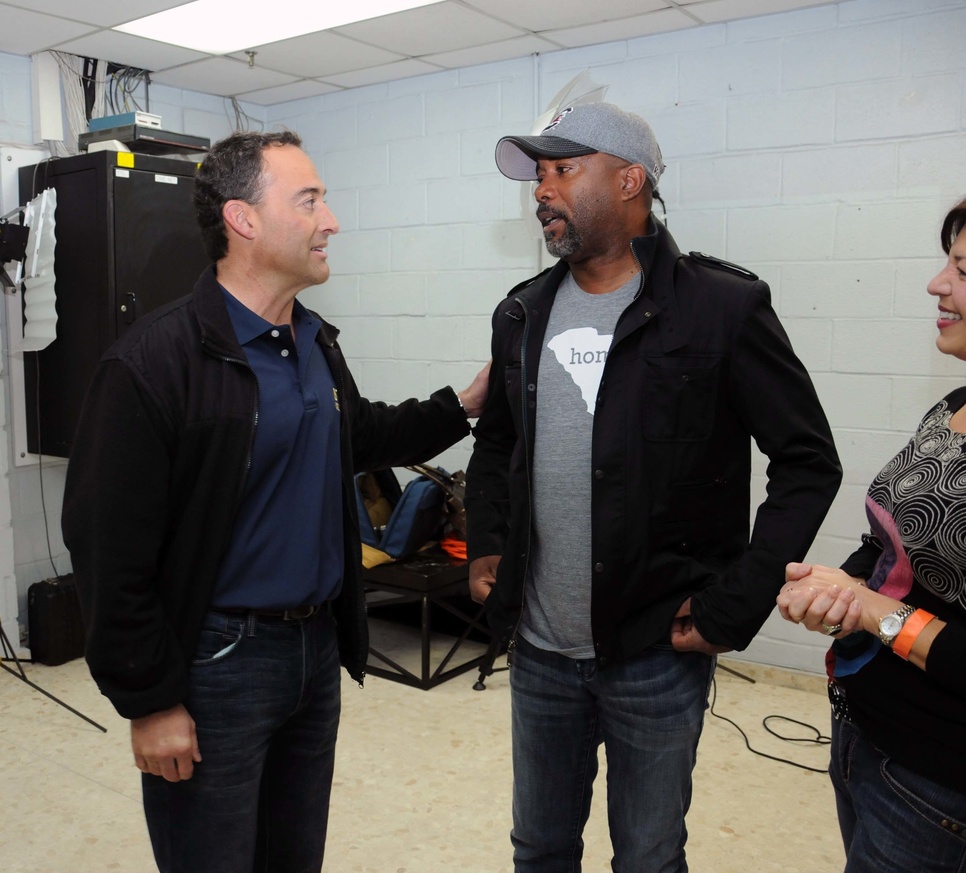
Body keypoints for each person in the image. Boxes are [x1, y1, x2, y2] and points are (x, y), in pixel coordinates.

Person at [61, 130, 488, 873]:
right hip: (218, 659)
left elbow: (358, 433)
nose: (332, 221)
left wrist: (466, 403)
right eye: (310, 200)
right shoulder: (153, 362)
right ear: (244, 219)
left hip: (313, 652)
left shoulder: (313, 342)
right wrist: (150, 700)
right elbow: (107, 547)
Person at [465, 101, 842, 872]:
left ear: (630, 180)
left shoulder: (721, 307)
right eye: (539, 175)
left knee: (647, 854)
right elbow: (499, 438)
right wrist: (488, 542)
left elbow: (808, 461)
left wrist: (734, 605)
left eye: (563, 170)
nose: (543, 190)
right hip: (540, 650)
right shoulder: (523, 312)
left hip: (656, 653)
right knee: (538, 847)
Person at [777, 187, 966, 872]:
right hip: (870, 735)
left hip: (951, 779)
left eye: (963, 270)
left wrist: (878, 612)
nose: (938, 284)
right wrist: (841, 588)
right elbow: (890, 545)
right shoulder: (959, 404)